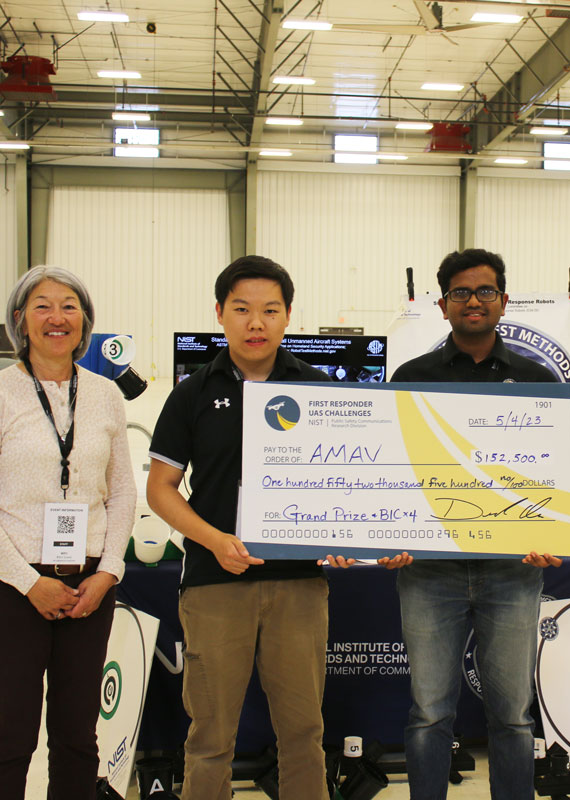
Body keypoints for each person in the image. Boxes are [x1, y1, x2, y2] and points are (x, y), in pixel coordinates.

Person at [147, 255, 337, 800]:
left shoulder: (320, 390)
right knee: (210, 737)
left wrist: (345, 538)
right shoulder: (192, 393)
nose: (256, 323)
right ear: (220, 314)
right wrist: (213, 540)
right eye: (242, 310)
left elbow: (345, 483)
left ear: (288, 317)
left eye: (270, 311)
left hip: (299, 585)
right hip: (214, 585)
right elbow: (160, 488)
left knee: (304, 734)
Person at [388, 248, 562, 800]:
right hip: (429, 574)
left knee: (512, 715)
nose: (473, 301)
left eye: (485, 291)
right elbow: (392, 470)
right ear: (443, 306)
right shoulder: (411, 377)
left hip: (512, 572)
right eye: (460, 293)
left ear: (503, 301)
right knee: (429, 713)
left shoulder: (539, 381)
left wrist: (550, 534)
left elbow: (554, 473)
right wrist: (389, 535)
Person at [0, 266, 137, 800]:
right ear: (21, 321)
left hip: (90, 588)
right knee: (10, 734)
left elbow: (122, 492)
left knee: (78, 736)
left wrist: (108, 572)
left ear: (84, 322)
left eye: (69, 306)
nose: (57, 316)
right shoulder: (4, 391)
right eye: (42, 305)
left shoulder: (104, 395)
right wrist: (27, 582)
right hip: (14, 588)